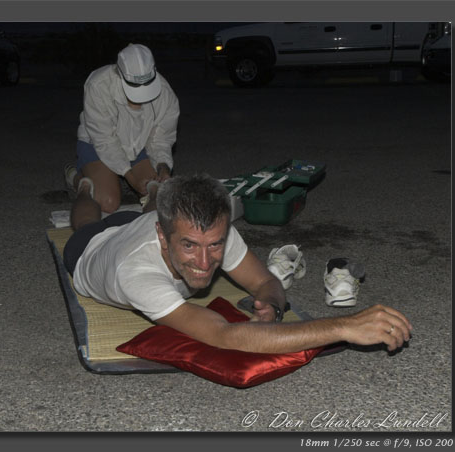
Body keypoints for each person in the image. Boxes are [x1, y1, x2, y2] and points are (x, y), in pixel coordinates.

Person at [63, 173, 413, 354]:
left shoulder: (213, 232)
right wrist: (342, 327)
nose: (204, 262)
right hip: (91, 250)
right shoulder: (135, 274)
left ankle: (154, 197)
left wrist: (273, 307)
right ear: (162, 236)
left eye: (214, 245)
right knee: (88, 224)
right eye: (189, 246)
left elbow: (265, 283)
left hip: (149, 224)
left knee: (155, 212)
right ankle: (82, 187)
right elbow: (223, 335)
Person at [65, 43, 180, 224]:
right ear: (119, 73)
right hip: (97, 144)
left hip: (137, 146)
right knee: (108, 202)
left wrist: (163, 166)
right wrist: (129, 175)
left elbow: (161, 139)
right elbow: (105, 140)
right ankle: (79, 181)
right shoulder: (98, 84)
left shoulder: (166, 94)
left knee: (154, 189)